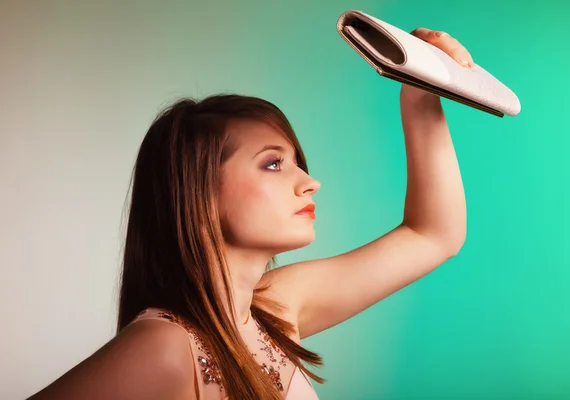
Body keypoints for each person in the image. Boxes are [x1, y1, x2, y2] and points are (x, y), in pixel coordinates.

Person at [28, 27, 470, 400]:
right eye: (273, 163)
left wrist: (419, 96)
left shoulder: (274, 310)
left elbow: (434, 235)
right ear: (199, 192)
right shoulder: (165, 345)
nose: (309, 181)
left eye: (297, 161)